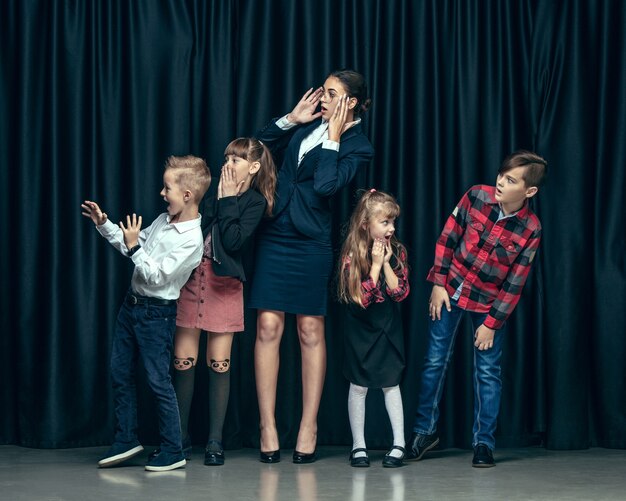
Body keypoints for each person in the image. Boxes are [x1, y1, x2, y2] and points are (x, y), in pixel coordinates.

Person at [249, 69, 374, 463]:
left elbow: (324, 187)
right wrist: (291, 120)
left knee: (308, 330)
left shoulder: (358, 146)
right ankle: (266, 425)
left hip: (311, 241)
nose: (322, 98)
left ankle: (309, 425)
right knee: (268, 325)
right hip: (274, 233)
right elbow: (256, 149)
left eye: (331, 93)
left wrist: (334, 139)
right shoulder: (306, 127)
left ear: (350, 102)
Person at [407, 150, 547, 468]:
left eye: (511, 180)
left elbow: (516, 281)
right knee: (434, 362)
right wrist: (439, 283)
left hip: (488, 306)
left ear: (529, 191)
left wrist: (492, 323)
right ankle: (423, 432)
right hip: (451, 291)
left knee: (488, 373)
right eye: (502, 174)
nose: (500, 181)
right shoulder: (476, 196)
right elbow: (447, 238)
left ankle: (483, 443)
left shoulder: (531, 229)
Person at [81, 155, 211, 472]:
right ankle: (126, 438)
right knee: (120, 373)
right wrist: (104, 224)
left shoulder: (192, 240)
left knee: (158, 382)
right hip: (132, 307)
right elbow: (132, 245)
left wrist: (135, 247)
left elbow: (158, 276)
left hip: (156, 316)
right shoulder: (164, 221)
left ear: (187, 195)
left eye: (167, 188)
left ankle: (173, 449)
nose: (162, 193)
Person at [169, 138, 276, 466]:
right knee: (183, 360)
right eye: (226, 157)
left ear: (253, 167)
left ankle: (215, 441)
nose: (228, 163)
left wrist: (228, 200)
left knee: (219, 362)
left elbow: (232, 241)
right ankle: (179, 438)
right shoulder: (212, 190)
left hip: (225, 286)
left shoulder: (256, 202)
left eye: (237, 159)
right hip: (192, 280)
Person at [338, 190, 410, 468]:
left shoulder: (398, 251)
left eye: (393, 222)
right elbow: (361, 298)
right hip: (360, 328)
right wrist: (376, 265)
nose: (391, 228)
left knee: (391, 384)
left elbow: (401, 292)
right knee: (359, 386)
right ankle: (359, 446)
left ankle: (399, 444)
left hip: (387, 328)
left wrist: (388, 262)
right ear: (366, 224)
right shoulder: (352, 253)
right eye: (385, 222)